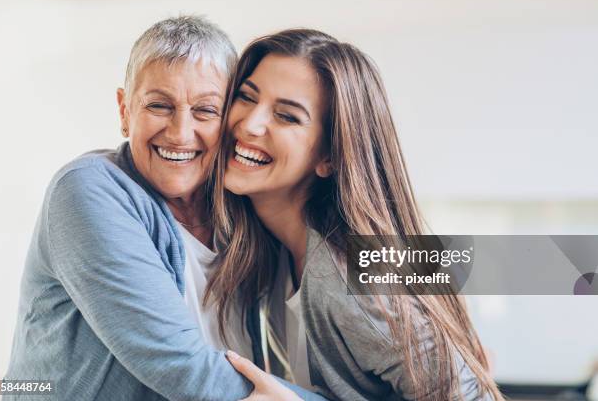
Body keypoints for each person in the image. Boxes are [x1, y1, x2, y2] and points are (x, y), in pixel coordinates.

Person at [4, 17, 322, 401]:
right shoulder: (87, 187)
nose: (180, 132)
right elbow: (182, 366)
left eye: (205, 111)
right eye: (158, 105)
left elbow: (411, 293)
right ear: (124, 110)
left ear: (329, 154)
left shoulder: (251, 215)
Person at [207, 29, 505, 400]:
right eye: (246, 97)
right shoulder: (272, 255)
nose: (250, 124)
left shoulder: (352, 281)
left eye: (287, 116)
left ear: (329, 157)